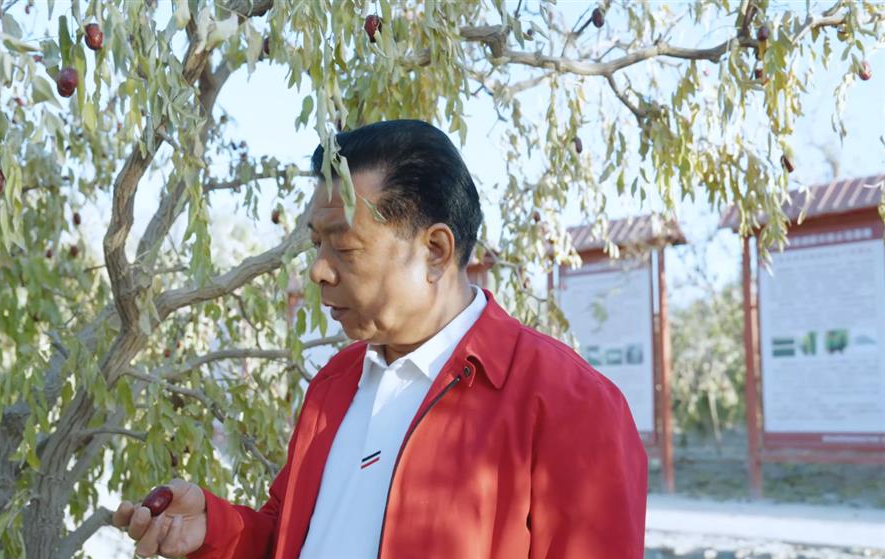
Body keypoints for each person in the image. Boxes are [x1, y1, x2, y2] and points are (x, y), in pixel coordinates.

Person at [112, 119, 647, 558]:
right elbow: (293, 536)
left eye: (344, 248)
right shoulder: (336, 382)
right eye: (317, 245)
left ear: (435, 251)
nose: (318, 270)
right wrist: (215, 531)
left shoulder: (568, 406)